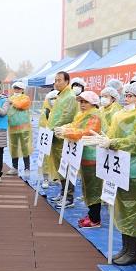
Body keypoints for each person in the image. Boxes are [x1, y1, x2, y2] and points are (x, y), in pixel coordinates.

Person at [85, 81, 136, 264]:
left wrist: (113, 143)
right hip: (120, 168)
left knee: (135, 211)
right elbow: (112, 135)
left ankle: (134, 253)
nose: (126, 99)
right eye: (125, 95)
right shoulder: (121, 115)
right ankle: (125, 248)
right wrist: (105, 139)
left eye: (131, 96)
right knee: (124, 210)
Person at [55, 91, 103, 227]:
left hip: (92, 156)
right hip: (83, 155)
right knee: (88, 186)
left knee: (93, 188)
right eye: (81, 101)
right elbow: (75, 125)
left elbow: (87, 132)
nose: (82, 104)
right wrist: (65, 128)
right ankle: (92, 213)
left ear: (93, 103)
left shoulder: (94, 116)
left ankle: (95, 219)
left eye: (85, 101)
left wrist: (66, 132)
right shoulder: (82, 115)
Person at [48, 71, 79, 207]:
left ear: (67, 81)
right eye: (55, 80)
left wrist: (53, 129)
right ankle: (63, 192)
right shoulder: (60, 95)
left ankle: (69, 196)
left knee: (66, 166)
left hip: (62, 136)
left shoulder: (70, 96)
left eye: (59, 80)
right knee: (60, 167)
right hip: (55, 135)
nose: (56, 82)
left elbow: (66, 117)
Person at [7, 81, 33, 176]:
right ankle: (14, 167)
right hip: (13, 127)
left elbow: (21, 105)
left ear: (22, 90)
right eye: (15, 88)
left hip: (24, 128)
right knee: (14, 147)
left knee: (25, 147)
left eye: (18, 88)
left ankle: (27, 168)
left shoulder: (26, 98)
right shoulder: (10, 98)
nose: (17, 90)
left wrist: (11, 101)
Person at [39, 89, 59, 190]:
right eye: (52, 99)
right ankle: (46, 179)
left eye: (56, 98)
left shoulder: (62, 112)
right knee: (46, 160)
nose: (54, 101)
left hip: (59, 139)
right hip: (47, 138)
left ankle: (56, 177)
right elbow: (42, 125)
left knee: (57, 159)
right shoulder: (45, 111)